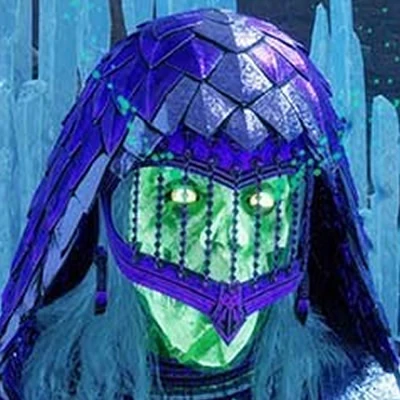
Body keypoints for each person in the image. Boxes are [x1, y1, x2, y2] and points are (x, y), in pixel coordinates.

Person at [0, 8, 399, 400]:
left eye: (261, 202)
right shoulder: (39, 386)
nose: (230, 247)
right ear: (107, 211)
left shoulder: (357, 390)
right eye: (182, 197)